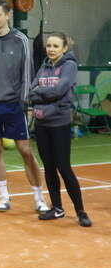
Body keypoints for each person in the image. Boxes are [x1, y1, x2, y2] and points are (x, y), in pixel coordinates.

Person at [0, 0, 48, 213]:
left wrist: (25, 101)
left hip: (14, 105)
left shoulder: (21, 40)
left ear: (7, 16)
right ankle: (4, 197)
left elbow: (27, 73)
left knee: (25, 150)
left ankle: (39, 198)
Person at [29, 32, 92, 227]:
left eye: (55, 46)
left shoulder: (69, 65)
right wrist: (43, 95)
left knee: (64, 168)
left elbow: (59, 90)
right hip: (42, 125)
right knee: (49, 168)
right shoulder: (44, 66)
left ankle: (81, 211)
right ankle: (57, 208)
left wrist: (41, 94)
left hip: (59, 124)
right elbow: (32, 91)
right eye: (48, 45)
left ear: (64, 48)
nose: (51, 49)